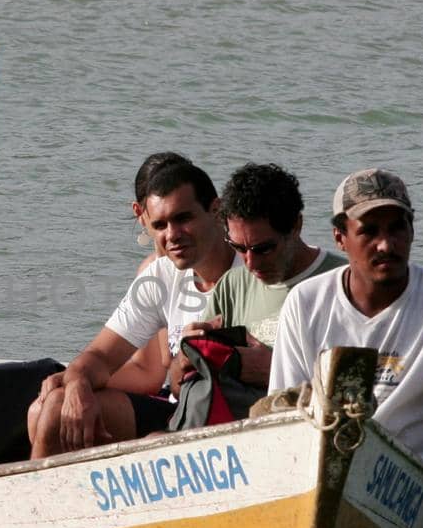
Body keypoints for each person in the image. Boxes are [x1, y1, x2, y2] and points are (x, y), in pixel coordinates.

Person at [268, 169, 423, 528]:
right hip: (320, 481)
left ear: (411, 232)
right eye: (369, 231)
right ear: (341, 237)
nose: (386, 244)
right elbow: (282, 415)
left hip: (407, 492)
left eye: (397, 228)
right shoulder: (305, 303)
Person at [28, 160, 239, 457]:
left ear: (215, 210)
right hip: (176, 409)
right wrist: (77, 385)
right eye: (160, 225)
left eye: (183, 218)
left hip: (231, 415)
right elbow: (100, 355)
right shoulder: (160, 274)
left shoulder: (251, 269)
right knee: (57, 407)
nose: (172, 234)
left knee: (55, 412)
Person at [181, 162, 346, 396]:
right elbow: (179, 386)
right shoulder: (232, 286)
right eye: (238, 247)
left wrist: (274, 371)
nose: (250, 263)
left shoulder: (343, 284)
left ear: (296, 226)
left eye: (263, 249)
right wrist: (188, 354)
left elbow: (366, 386)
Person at [107, 151, 195, 396]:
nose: (173, 230)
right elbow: (147, 372)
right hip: (172, 394)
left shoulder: (211, 266)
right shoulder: (150, 271)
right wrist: (78, 380)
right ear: (140, 211)